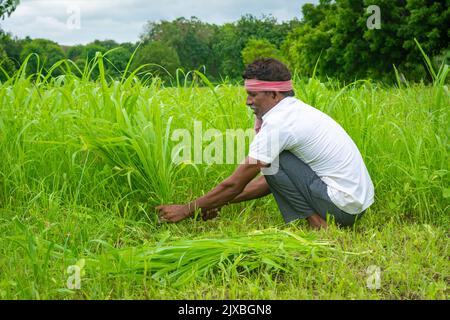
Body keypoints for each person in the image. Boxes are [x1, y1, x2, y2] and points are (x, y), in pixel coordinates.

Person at [156, 58, 374, 229]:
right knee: (273, 162)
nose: (247, 101)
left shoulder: (280, 124)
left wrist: (186, 209)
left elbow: (235, 183)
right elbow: (274, 180)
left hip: (341, 207)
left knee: (272, 160)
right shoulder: (294, 111)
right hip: (352, 207)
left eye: (253, 95)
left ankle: (317, 223)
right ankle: (317, 220)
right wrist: (215, 203)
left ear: (274, 94)